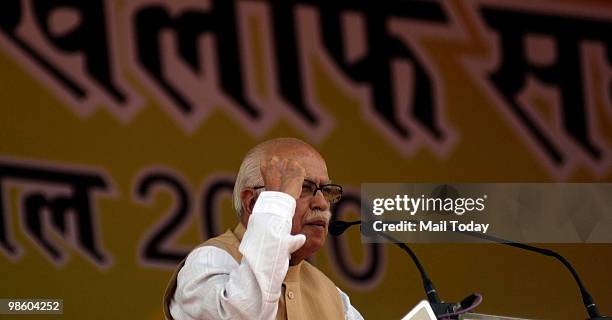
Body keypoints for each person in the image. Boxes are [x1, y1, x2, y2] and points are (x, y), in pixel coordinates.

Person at [163, 138, 364, 320]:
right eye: (302, 187)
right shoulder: (209, 262)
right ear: (252, 203)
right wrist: (277, 204)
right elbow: (246, 314)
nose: (321, 203)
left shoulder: (333, 297)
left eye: (327, 191)